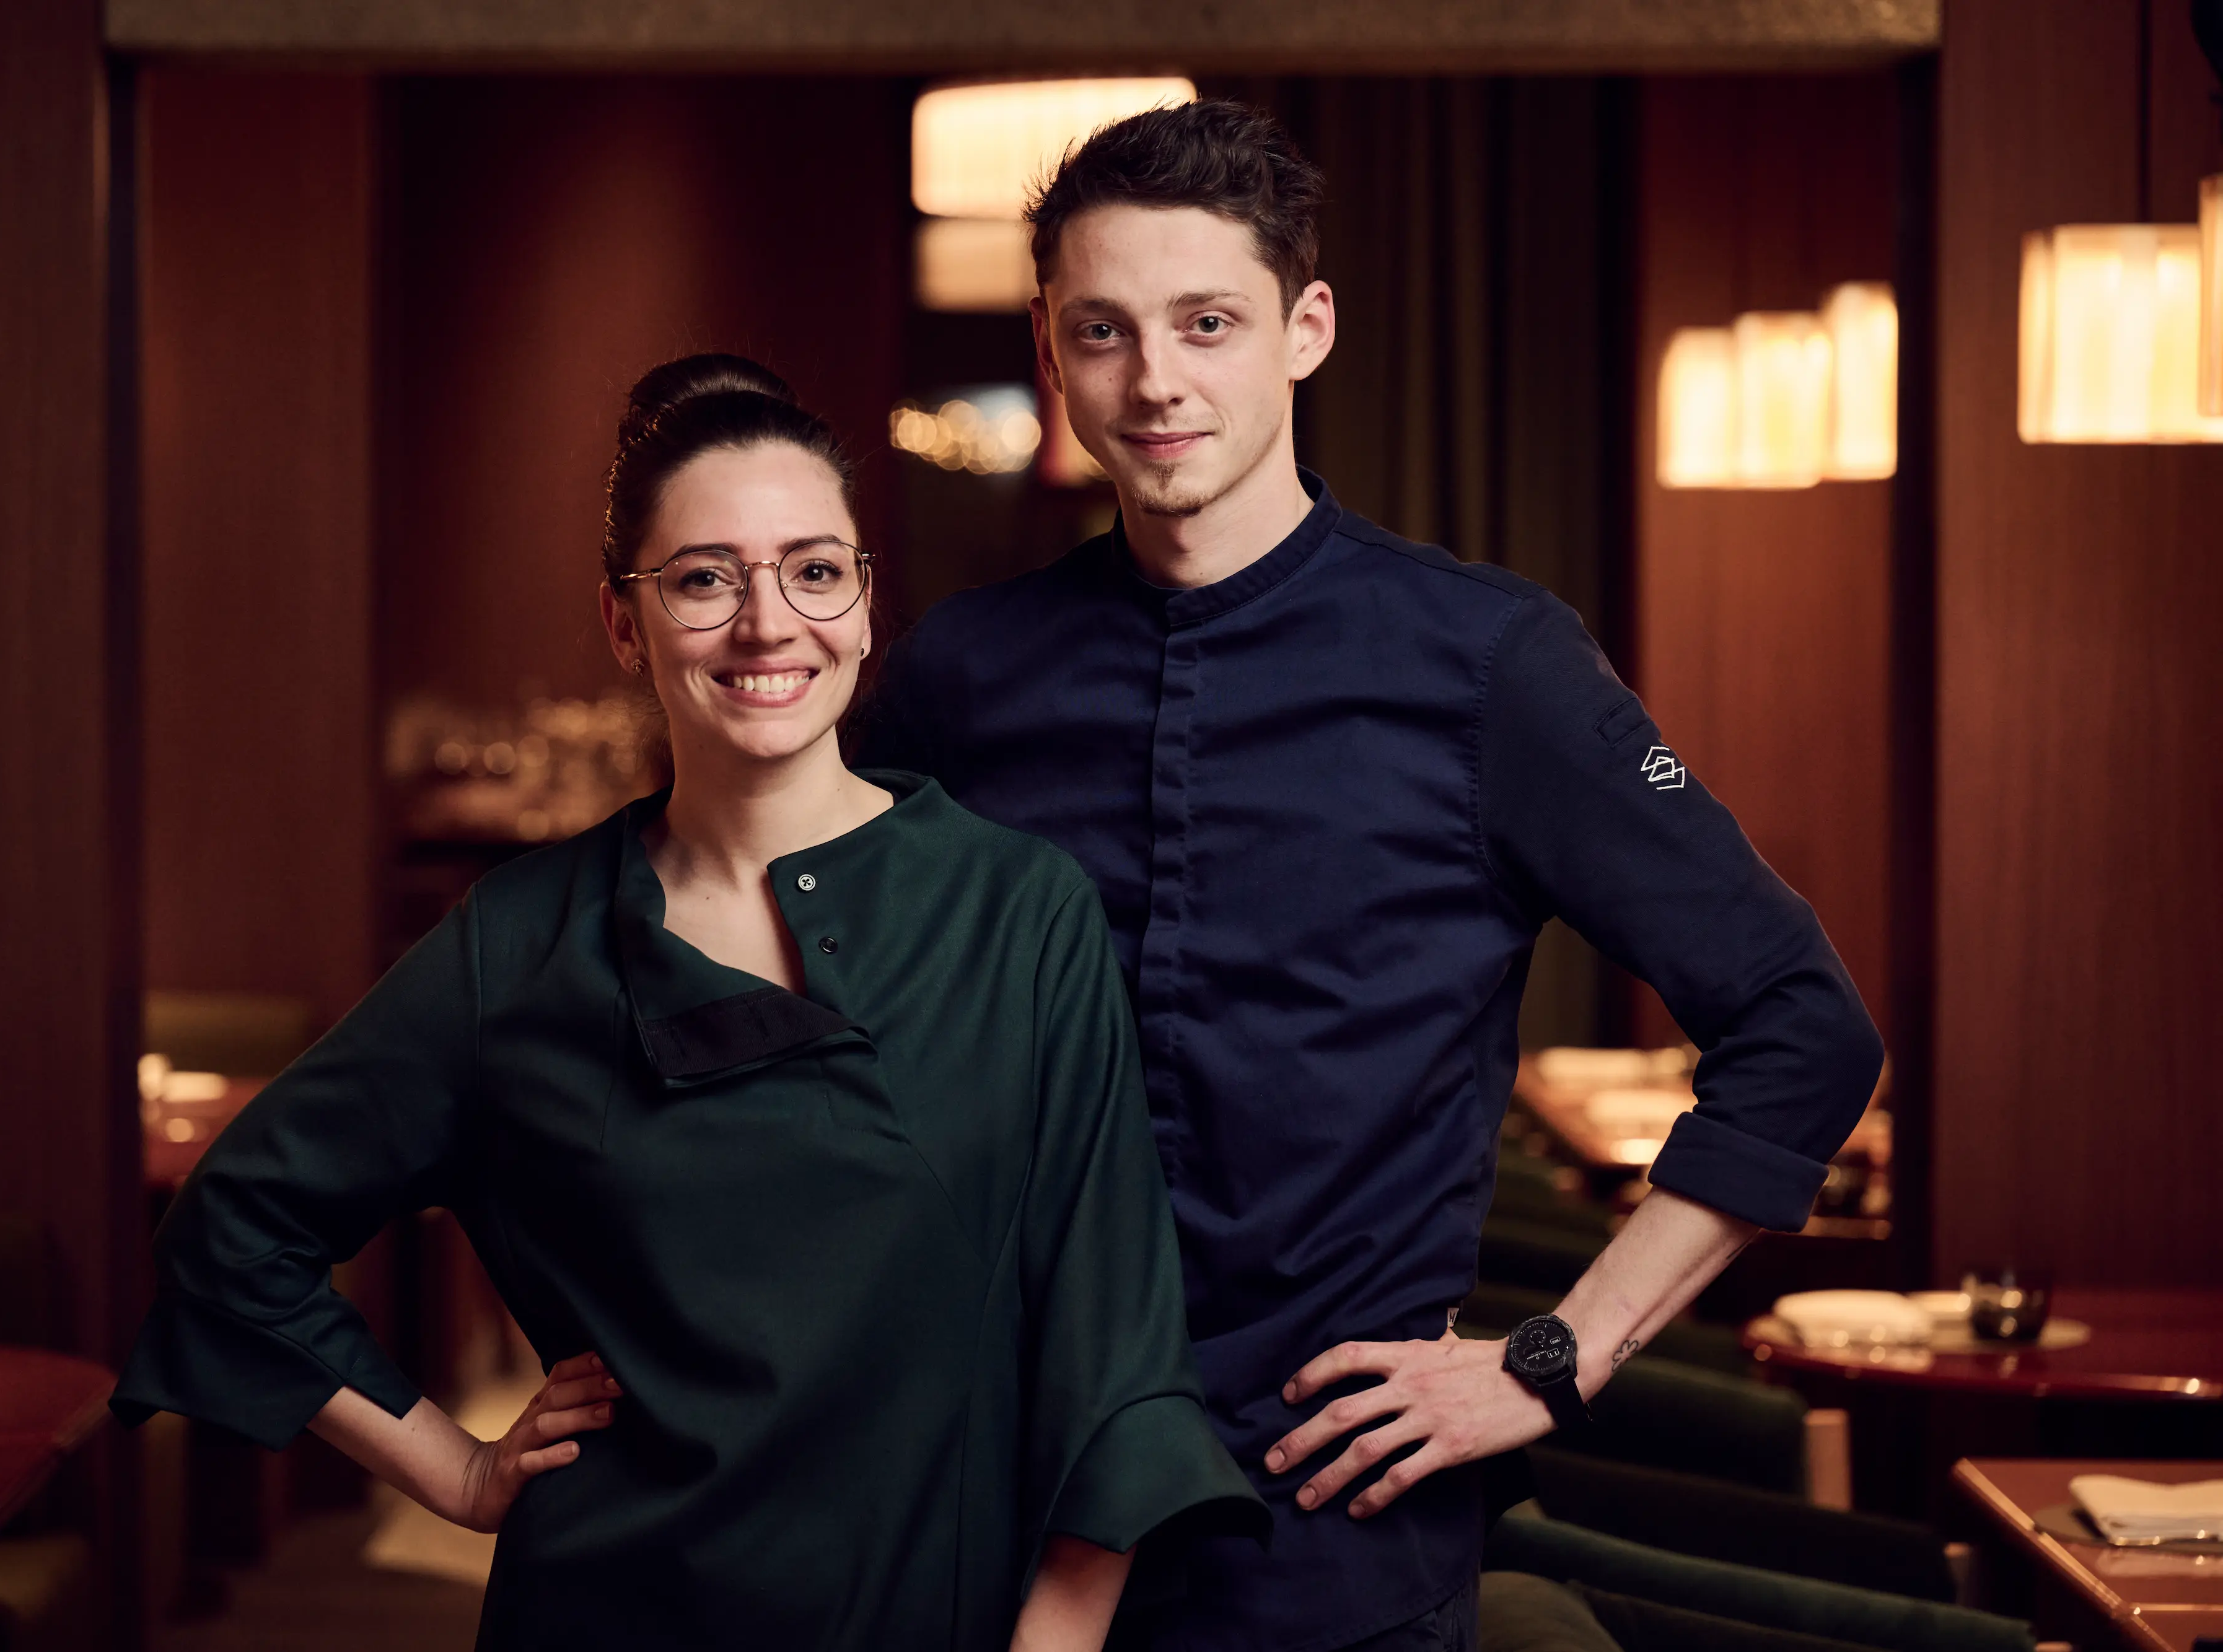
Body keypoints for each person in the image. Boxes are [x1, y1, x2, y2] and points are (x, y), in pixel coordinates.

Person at [858, 102, 1885, 1652]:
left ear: (1304, 329)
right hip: (990, 1516)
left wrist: (1551, 1356)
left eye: (1207, 322)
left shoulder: (1488, 664)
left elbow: (1804, 1029)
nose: (1154, 381)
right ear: (1051, 349)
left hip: (1326, 1541)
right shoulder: (961, 673)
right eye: (1103, 330)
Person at [111, 354, 1265, 1652]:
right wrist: (457, 1471)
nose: (768, 624)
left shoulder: (1018, 912)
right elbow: (233, 1239)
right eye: (705, 579)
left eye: (813, 570)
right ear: (624, 622)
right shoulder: (521, 941)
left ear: (865, 604)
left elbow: (1112, 1358)